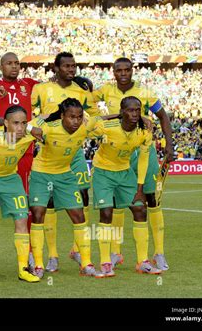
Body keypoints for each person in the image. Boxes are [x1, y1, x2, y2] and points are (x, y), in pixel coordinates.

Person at [91, 57, 173, 271]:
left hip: (143, 147)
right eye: (119, 70)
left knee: (151, 200)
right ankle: (115, 253)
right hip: (117, 152)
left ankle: (159, 253)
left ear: (133, 71)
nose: (124, 74)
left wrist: (169, 145)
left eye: (128, 70)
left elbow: (163, 117)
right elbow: (83, 102)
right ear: (113, 72)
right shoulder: (104, 90)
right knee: (116, 204)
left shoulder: (146, 92)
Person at [29, 98, 123, 278]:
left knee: (79, 216)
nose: (76, 121)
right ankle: (39, 265)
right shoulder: (49, 127)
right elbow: (25, 125)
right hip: (41, 174)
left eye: (79, 117)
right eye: (71, 117)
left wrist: (129, 116)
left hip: (65, 175)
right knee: (39, 215)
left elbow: (102, 120)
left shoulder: (84, 126)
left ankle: (86, 264)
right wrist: (34, 126)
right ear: (62, 115)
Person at [30, 52, 93, 273]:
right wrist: (34, 128)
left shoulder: (81, 90)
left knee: (83, 198)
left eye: (74, 66)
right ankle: (52, 255)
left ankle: (79, 251)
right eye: (66, 66)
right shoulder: (42, 89)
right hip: (50, 145)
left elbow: (93, 116)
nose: (71, 69)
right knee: (48, 206)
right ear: (56, 68)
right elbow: (27, 116)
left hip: (74, 150)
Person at [89, 96, 162, 277]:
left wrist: (140, 189)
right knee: (106, 213)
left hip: (125, 172)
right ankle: (106, 262)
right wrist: (113, 116)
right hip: (103, 172)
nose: (135, 114)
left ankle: (142, 261)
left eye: (137, 110)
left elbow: (144, 159)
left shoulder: (144, 131)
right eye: (130, 110)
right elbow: (89, 125)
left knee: (140, 209)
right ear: (122, 112)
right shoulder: (108, 127)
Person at [0, 105, 43, 285]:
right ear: (5, 123)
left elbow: (48, 118)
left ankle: (23, 269)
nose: (20, 127)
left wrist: (31, 128)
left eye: (23, 123)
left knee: (21, 219)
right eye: (15, 123)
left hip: (10, 180)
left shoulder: (27, 136)